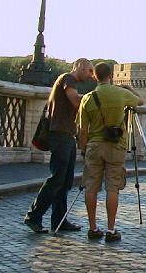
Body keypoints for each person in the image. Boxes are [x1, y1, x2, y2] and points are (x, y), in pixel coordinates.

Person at [23, 58, 94, 234]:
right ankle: (33, 216)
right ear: (80, 67)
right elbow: (75, 101)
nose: (91, 76)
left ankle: (59, 220)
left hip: (67, 134)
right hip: (60, 134)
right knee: (57, 178)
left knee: (65, 181)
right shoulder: (67, 79)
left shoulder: (69, 81)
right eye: (89, 71)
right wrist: (93, 99)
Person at [77, 63, 143, 242]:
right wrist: (129, 88)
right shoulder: (120, 94)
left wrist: (83, 151)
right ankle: (111, 229)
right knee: (112, 187)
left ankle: (92, 228)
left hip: (94, 145)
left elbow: (83, 130)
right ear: (111, 76)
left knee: (91, 186)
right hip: (116, 146)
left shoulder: (87, 98)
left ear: (95, 77)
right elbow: (141, 101)